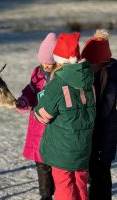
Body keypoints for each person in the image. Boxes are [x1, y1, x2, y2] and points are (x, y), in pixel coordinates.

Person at [34, 32, 96, 200]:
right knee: (80, 181)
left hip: (63, 146)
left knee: (64, 183)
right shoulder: (89, 79)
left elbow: (43, 114)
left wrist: (37, 107)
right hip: (83, 145)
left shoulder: (58, 84)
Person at [16, 33, 57, 200]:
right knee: (42, 164)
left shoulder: (60, 76)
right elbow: (31, 90)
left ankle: (59, 192)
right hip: (38, 128)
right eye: (44, 62)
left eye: (51, 63)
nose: (46, 66)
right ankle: (45, 195)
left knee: (56, 163)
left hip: (54, 127)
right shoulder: (37, 73)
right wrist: (24, 101)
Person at [81, 29, 117, 200]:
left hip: (104, 136)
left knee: (101, 175)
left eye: (88, 63)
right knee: (95, 174)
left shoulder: (111, 76)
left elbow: (104, 108)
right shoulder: (92, 73)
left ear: (99, 61)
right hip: (92, 135)